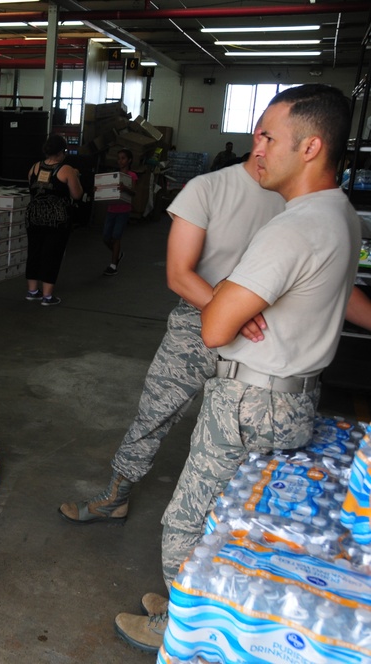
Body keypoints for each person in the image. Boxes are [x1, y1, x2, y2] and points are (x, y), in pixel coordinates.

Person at [115, 83, 361, 653]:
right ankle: (196, 601)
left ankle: (180, 625)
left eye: (269, 136)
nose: (258, 147)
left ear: (310, 147)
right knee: (240, 517)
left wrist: (233, 293)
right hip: (294, 396)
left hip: (250, 401)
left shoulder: (291, 227)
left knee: (190, 521)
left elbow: (214, 327)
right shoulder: (341, 214)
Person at [59, 148, 284, 527]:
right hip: (198, 321)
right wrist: (232, 312)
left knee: (245, 433)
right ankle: (117, 495)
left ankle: (238, 528)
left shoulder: (297, 199)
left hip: (262, 331)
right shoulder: (210, 188)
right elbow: (180, 275)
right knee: (155, 410)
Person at [24, 134, 83, 305]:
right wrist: (76, 176)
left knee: (34, 252)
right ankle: (47, 296)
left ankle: (32, 291)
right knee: (52, 254)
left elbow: (32, 189)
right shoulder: (67, 170)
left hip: (34, 217)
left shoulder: (34, 167)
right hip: (56, 220)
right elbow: (77, 195)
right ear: (61, 152)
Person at [102, 148, 137, 276]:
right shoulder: (114, 175)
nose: (120, 161)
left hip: (123, 210)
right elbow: (106, 189)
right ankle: (117, 254)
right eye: (119, 158)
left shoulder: (132, 175)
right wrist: (99, 189)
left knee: (116, 236)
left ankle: (113, 265)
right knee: (106, 237)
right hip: (111, 209)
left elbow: (134, 192)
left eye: (123, 158)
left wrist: (125, 188)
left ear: (129, 160)